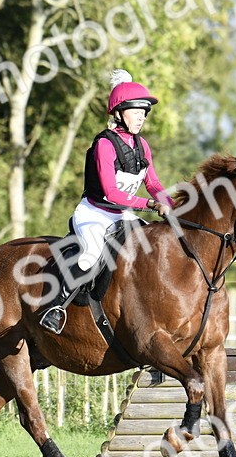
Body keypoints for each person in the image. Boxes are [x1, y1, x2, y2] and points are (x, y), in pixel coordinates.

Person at [39, 69, 175, 334]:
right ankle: (55, 308)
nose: (141, 117)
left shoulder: (141, 145)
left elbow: (154, 184)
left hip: (124, 216)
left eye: (144, 112)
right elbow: (111, 193)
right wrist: (149, 205)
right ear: (119, 113)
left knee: (151, 250)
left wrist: (171, 205)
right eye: (136, 111)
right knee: (90, 255)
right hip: (95, 213)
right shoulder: (104, 144)